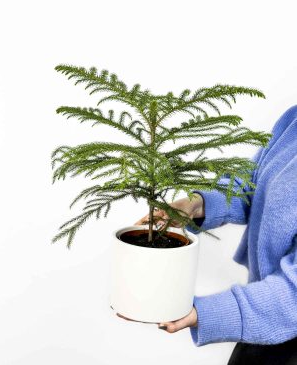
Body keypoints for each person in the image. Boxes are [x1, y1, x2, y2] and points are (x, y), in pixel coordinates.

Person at [117, 105, 297, 365]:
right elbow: (253, 181)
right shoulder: (293, 121)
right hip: (262, 324)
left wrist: (203, 313)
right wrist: (199, 203)